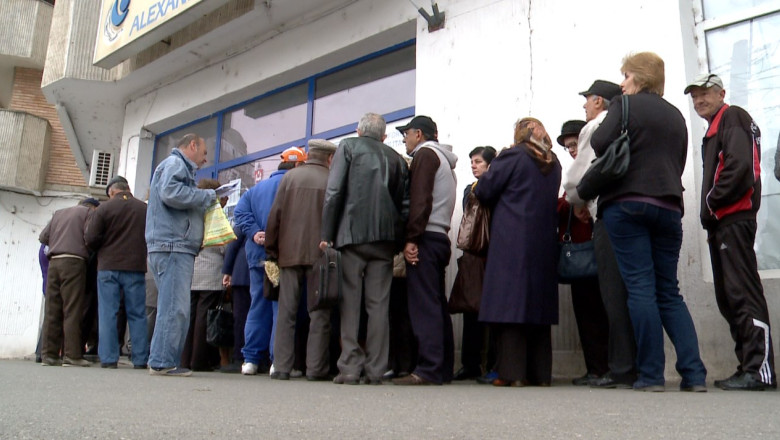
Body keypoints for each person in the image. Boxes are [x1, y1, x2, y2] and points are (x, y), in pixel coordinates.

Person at [591, 52, 707, 392]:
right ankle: (694, 375)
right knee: (669, 291)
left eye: (626, 75)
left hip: (627, 204)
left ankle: (652, 375)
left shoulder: (623, 105)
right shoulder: (676, 115)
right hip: (669, 206)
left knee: (640, 288)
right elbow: (678, 160)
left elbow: (599, 142)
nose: (622, 83)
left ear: (640, 78)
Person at [685, 73, 776, 390]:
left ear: (721, 93)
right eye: (695, 96)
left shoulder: (733, 117)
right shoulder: (714, 128)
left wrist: (711, 202)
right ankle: (747, 365)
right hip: (722, 222)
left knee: (743, 293)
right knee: (729, 297)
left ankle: (759, 370)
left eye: (705, 93)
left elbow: (742, 168)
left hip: (734, 218)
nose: (699, 100)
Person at [321, 112, 409, 385]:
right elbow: (404, 204)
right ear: (384, 136)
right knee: (379, 306)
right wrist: (398, 240)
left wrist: (326, 234)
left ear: (359, 131)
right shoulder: (397, 159)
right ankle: (376, 369)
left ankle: (349, 368)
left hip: (351, 236)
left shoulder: (348, 147)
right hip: (384, 240)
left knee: (350, 304)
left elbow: (334, 192)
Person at [475, 118, 561, 387]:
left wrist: (497, 161)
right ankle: (540, 374)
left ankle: (513, 374)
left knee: (510, 305)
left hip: (511, 240)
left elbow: (485, 190)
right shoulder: (554, 162)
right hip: (543, 241)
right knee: (537, 305)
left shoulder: (513, 156)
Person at [392, 115, 457, 386]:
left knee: (424, 306)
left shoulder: (425, 155)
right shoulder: (445, 161)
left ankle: (428, 369)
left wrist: (412, 238)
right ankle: (442, 369)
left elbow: (420, 199)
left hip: (425, 237)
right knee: (436, 304)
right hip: (439, 236)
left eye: (406, 134)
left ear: (418, 134)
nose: (404, 139)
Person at [146, 133, 217, 377]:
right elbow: (171, 193)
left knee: (172, 306)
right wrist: (206, 196)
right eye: (204, 153)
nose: (205, 159)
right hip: (174, 246)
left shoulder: (172, 166)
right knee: (175, 308)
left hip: (172, 245)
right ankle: (163, 362)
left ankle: (163, 360)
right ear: (192, 145)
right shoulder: (176, 164)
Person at [266, 139, 338, 381]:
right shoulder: (332, 180)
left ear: (310, 155)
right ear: (329, 158)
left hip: (290, 253)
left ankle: (282, 367)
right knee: (319, 313)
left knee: (286, 312)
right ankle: (315, 369)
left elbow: (275, 216)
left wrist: (272, 250)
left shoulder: (290, 178)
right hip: (321, 255)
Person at [234, 147, 307, 376]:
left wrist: (255, 232)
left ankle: (250, 360)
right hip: (284, 256)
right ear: (298, 165)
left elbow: (240, 213)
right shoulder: (295, 187)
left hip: (258, 256)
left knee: (258, 304)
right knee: (281, 307)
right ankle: (278, 361)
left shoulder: (256, 189)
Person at [556, 117, 610, 386]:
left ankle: (608, 367)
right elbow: (560, 207)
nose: (572, 150)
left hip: (600, 251)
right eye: (568, 147)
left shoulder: (598, 165)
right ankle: (596, 368)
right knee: (587, 315)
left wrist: (578, 201)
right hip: (581, 254)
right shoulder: (572, 175)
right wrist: (571, 203)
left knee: (604, 312)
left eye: (575, 144)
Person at [85, 175, 149, 369]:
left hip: (108, 266)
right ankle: (140, 359)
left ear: (112, 192)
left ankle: (109, 358)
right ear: (128, 189)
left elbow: (91, 238)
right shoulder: (144, 209)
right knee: (137, 313)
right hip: (135, 266)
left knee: (108, 313)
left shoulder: (104, 208)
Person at [452, 146, 497, 382]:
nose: (473, 165)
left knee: (492, 311)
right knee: (471, 309)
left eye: (478, 161)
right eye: (472, 162)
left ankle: (491, 363)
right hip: (475, 254)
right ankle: (470, 363)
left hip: (492, 254)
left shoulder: (495, 187)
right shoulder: (470, 189)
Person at [38, 197, 100, 367]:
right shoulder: (89, 214)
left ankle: (49, 355)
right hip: (74, 261)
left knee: (52, 309)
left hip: (54, 261)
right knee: (72, 308)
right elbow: (91, 237)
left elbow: (43, 237)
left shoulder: (59, 213)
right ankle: (72, 355)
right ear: (93, 208)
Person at [180, 179, 228, 372]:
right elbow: (224, 246)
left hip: (192, 271)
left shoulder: (192, 214)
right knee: (203, 318)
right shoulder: (216, 217)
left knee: (189, 317)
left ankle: (184, 359)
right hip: (210, 272)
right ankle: (199, 360)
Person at [220, 225, 251, 373]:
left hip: (242, 272)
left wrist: (227, 271)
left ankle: (239, 356)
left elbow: (233, 244)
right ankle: (258, 358)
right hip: (261, 272)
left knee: (240, 318)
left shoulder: (245, 219)